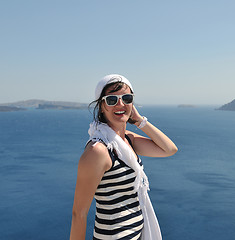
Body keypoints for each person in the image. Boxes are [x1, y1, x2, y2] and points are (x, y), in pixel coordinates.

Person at [69, 74, 178, 240]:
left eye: (126, 98)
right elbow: (79, 213)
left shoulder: (128, 140)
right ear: (101, 106)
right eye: (112, 100)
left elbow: (169, 149)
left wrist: (140, 121)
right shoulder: (99, 151)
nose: (120, 104)